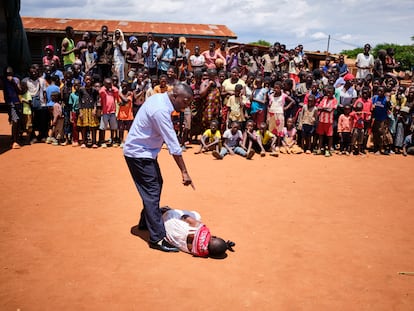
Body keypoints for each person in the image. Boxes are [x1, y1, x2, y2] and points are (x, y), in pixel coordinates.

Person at [123, 83, 195, 252]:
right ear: (175, 96)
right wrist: (184, 172)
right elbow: (173, 145)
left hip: (143, 152)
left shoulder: (159, 99)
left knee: (155, 185)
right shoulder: (161, 111)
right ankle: (157, 238)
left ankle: (145, 222)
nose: (187, 106)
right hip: (139, 154)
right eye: (185, 102)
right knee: (152, 190)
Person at [161, 207, 235, 258]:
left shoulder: (203, 231)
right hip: (164, 233)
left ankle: (165, 211)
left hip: (168, 218)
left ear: (213, 238)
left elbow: (186, 217)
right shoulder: (200, 253)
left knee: (196, 216)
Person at [77, 75, 100, 148]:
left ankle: (94, 142)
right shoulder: (81, 90)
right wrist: (80, 111)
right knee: (83, 126)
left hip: (92, 110)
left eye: (89, 79)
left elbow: (96, 100)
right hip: (84, 109)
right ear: (84, 80)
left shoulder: (94, 90)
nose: (88, 81)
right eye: (87, 79)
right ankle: (84, 142)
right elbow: (80, 101)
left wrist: (95, 109)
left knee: (93, 127)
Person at [315, 85, 337, 157]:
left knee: (329, 136)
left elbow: (331, 110)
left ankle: (328, 150)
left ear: (333, 93)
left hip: (329, 121)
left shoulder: (334, 100)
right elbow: (319, 107)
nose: (328, 94)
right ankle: (319, 148)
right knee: (320, 135)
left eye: (330, 93)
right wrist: (325, 108)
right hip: (321, 120)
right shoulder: (324, 99)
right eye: (327, 92)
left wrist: (323, 108)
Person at [3, 66, 22, 149]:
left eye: (10, 73)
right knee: (14, 120)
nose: (9, 75)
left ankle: (16, 138)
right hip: (11, 104)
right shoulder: (3, 81)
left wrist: (13, 82)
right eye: (7, 74)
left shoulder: (16, 80)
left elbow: (19, 91)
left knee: (17, 121)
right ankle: (14, 141)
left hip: (17, 102)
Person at [99, 77, 119, 147]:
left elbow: (117, 91)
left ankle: (112, 140)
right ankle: (102, 141)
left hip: (112, 111)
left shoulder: (113, 91)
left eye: (110, 84)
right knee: (103, 127)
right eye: (107, 84)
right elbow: (101, 92)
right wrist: (106, 88)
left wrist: (112, 88)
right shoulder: (103, 91)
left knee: (113, 127)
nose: (109, 86)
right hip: (105, 112)